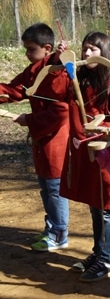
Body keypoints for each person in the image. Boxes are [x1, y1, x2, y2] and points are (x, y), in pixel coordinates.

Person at [59, 32, 110, 282]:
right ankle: (98, 253)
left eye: (93, 49)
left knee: (106, 208)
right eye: (84, 49)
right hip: (87, 153)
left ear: (105, 53)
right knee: (95, 206)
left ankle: (107, 260)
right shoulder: (81, 80)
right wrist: (62, 59)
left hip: (105, 154)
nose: (86, 53)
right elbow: (58, 87)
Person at [0, 23, 70, 252]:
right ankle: (52, 229)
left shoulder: (58, 72)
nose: (27, 54)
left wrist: (29, 120)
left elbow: (62, 111)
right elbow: (16, 89)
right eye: (26, 49)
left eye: (31, 49)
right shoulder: (34, 69)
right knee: (46, 186)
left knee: (55, 188)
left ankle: (59, 234)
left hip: (56, 140)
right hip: (42, 141)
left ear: (47, 48)